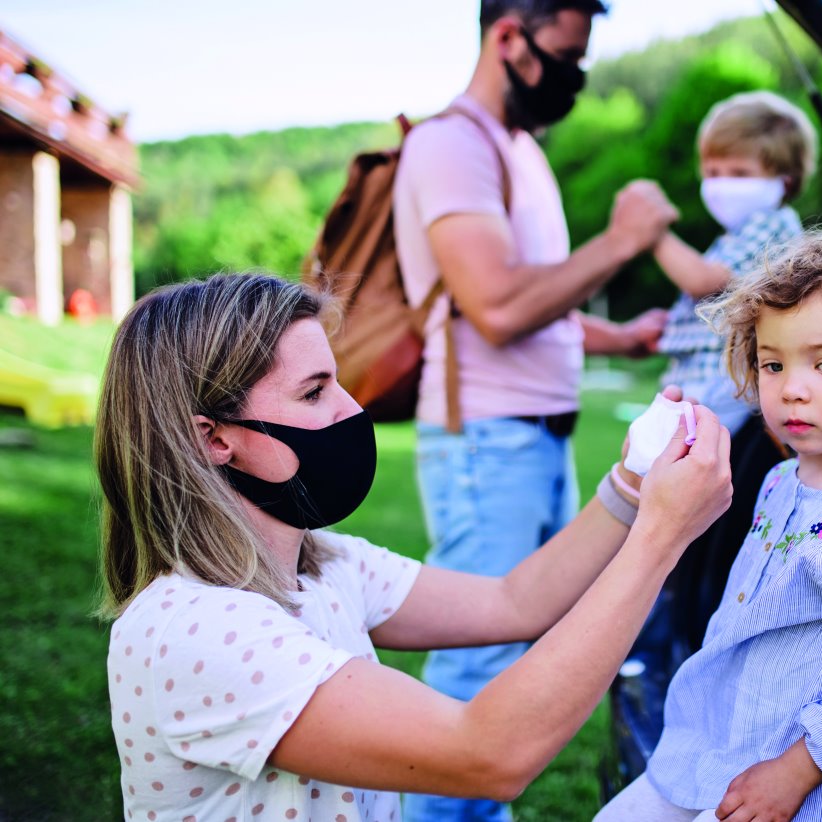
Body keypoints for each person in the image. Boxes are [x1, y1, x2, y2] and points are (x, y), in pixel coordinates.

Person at [97, 273, 732, 822]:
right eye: (314, 392)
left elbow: (516, 602)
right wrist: (661, 538)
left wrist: (631, 487)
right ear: (213, 439)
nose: (351, 409)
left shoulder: (321, 564)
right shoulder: (195, 630)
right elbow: (488, 754)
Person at [392, 5, 676, 815]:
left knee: (515, 651)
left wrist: (619, 337)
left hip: (533, 436)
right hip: (488, 439)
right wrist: (621, 241)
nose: (574, 77)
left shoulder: (520, 150)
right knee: (476, 663)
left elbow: (536, 298)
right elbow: (497, 305)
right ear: (509, 38)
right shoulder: (451, 144)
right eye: (566, 55)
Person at [595, 232, 822, 822]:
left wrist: (793, 773)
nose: (791, 386)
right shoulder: (780, 480)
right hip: (720, 747)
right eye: (773, 363)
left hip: (806, 787)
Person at [648, 89, 818, 655]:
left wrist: (650, 233)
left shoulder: (772, 226)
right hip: (701, 377)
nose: (720, 183)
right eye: (712, 170)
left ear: (782, 177)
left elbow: (703, 281)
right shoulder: (742, 231)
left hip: (723, 385)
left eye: (738, 170)